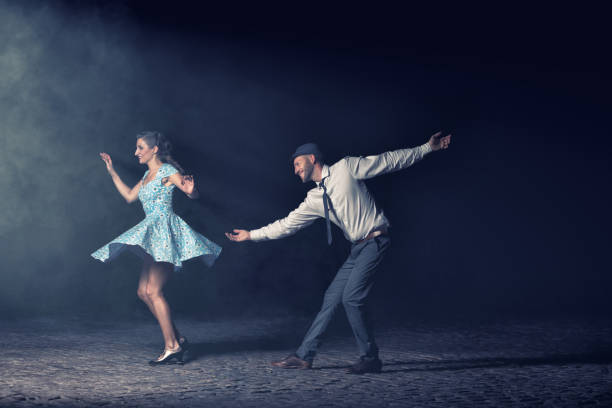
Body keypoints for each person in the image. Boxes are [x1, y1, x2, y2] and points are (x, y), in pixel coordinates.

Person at [226, 131, 451, 374]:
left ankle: (370, 358)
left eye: (297, 164)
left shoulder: (346, 168)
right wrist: (251, 235)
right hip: (357, 249)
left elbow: (388, 160)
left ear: (312, 158)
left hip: (375, 241)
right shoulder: (314, 198)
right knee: (331, 300)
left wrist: (427, 148)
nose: (295, 170)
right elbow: (287, 224)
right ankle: (304, 356)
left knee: (352, 298)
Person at [91, 131, 222, 365]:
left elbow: (190, 191)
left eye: (140, 147)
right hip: (152, 233)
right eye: (136, 147)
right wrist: (112, 172)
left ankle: (172, 347)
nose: (136, 152)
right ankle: (178, 339)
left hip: (165, 232)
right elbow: (130, 197)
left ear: (154, 150)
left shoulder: (168, 171)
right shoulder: (146, 175)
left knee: (154, 291)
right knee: (143, 292)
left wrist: (193, 193)